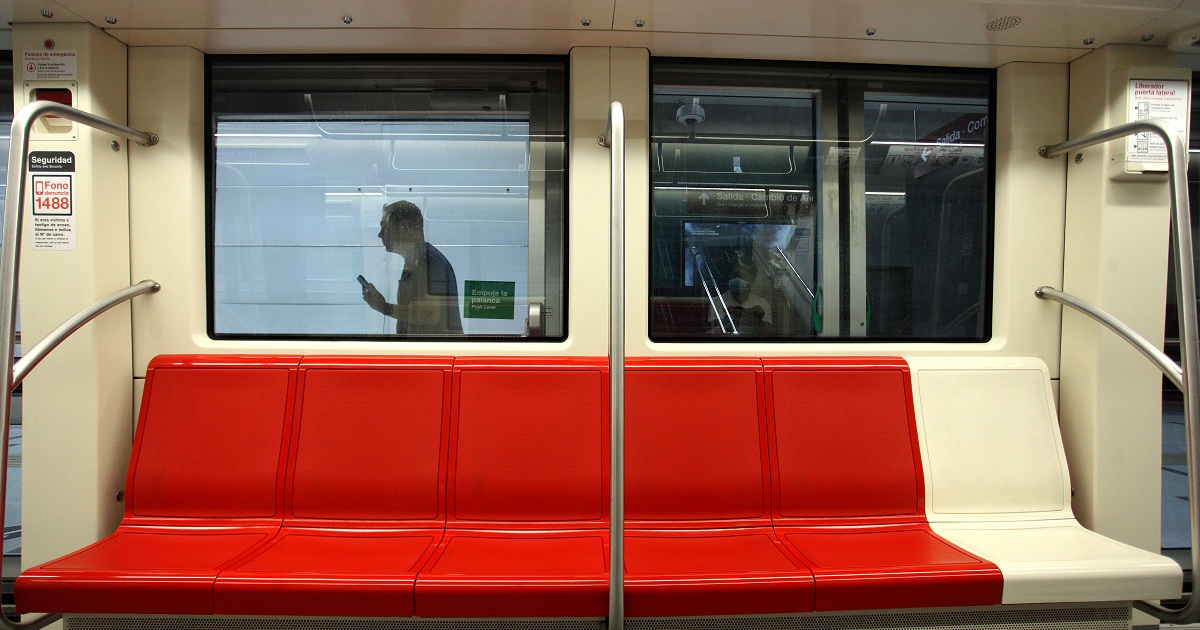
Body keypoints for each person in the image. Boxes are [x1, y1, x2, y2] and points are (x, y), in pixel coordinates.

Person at [360, 200, 463, 334]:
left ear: (403, 226)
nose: (380, 235)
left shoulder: (426, 260)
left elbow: (429, 314)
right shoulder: (417, 259)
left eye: (384, 227)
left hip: (433, 351)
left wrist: (384, 307)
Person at [707, 251, 772, 335]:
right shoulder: (718, 302)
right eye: (734, 275)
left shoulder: (762, 304)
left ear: (752, 279)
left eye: (741, 275)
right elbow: (717, 334)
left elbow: (766, 335)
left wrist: (755, 319)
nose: (736, 279)